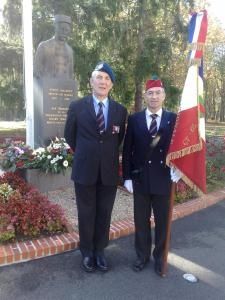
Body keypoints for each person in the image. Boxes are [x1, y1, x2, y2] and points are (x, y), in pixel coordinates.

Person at [64, 62, 127, 272]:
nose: (102, 82)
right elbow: (69, 136)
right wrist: (87, 153)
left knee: (105, 212)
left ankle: (100, 251)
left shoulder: (120, 110)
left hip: (108, 171)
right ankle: (87, 252)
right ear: (91, 82)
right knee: (86, 212)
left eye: (107, 79)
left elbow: (119, 140)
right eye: (98, 77)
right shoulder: (77, 107)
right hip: (84, 170)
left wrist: (103, 155)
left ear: (111, 85)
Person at [122, 77, 179, 276]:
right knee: (141, 221)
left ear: (164, 96)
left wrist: (179, 169)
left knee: (163, 222)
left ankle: (159, 257)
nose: (154, 97)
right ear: (145, 96)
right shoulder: (135, 119)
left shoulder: (173, 119)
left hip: (164, 178)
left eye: (158, 93)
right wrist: (127, 177)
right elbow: (128, 149)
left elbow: (181, 148)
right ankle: (142, 255)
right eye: (150, 93)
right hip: (141, 180)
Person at [34, 14, 74, 79]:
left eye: (66, 30)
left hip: (65, 87)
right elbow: (36, 71)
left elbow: (71, 74)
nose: (64, 32)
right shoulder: (44, 46)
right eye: (62, 29)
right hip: (47, 86)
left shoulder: (70, 50)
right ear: (55, 28)